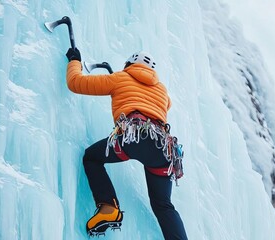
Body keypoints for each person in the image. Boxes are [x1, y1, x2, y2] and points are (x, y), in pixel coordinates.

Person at [65, 47, 188, 239]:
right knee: (163, 205)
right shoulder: (162, 91)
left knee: (92, 158)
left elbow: (75, 83)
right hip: (164, 150)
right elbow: (165, 105)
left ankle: (108, 208)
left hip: (135, 138)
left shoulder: (120, 78)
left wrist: (74, 60)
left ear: (128, 65)